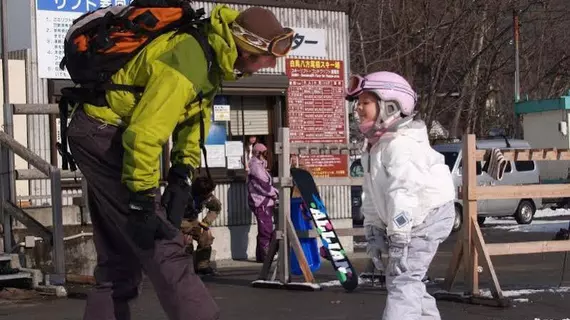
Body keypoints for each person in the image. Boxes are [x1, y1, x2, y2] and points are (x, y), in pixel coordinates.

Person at [65, 4, 294, 320]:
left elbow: (195, 118)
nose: (265, 67)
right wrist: (142, 199)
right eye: (266, 60)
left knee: (119, 254)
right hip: (103, 135)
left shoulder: (211, 57)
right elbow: (145, 133)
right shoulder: (190, 59)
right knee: (162, 242)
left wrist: (182, 172)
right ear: (248, 49)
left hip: (101, 132)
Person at [345, 71, 456, 319]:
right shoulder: (376, 146)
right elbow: (372, 194)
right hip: (411, 219)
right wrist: (373, 231)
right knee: (408, 282)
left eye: (365, 102)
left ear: (391, 105)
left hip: (427, 217)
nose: (359, 109)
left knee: (402, 280)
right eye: (358, 103)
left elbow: (404, 193)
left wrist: (399, 238)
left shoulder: (402, 145)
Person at [180, 175, 222, 276]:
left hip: (193, 221)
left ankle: (202, 266)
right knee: (186, 242)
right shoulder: (183, 194)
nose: (209, 195)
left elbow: (216, 207)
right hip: (180, 221)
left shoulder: (207, 196)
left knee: (207, 237)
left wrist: (206, 222)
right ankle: (186, 267)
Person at [247, 143, 279, 262]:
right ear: (258, 153)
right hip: (260, 202)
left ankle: (261, 256)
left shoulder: (260, 165)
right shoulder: (256, 167)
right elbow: (262, 185)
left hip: (263, 201)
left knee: (264, 228)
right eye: (264, 153)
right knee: (266, 229)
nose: (267, 155)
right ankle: (265, 255)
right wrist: (275, 193)